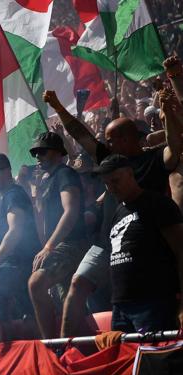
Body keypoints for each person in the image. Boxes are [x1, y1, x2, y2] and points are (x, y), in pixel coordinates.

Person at [44, 89, 181, 337]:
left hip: (145, 244)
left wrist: (169, 113)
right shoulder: (110, 160)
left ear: (127, 138)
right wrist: (58, 107)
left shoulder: (154, 159)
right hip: (108, 241)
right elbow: (81, 135)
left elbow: (174, 147)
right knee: (77, 284)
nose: (106, 144)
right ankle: (64, 350)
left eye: (111, 138)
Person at [93, 155, 183, 331]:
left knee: (155, 356)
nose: (111, 188)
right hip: (120, 308)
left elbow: (182, 251)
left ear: (130, 174)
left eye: (115, 181)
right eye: (106, 183)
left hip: (153, 303)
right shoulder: (118, 211)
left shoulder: (157, 204)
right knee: (127, 358)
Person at [0, 154, 41, 343]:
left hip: (16, 265)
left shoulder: (13, 195)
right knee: (30, 316)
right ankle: (49, 356)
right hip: (22, 265)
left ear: (6, 171)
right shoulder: (8, 196)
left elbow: (15, 230)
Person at [27, 132, 87, 339]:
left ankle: (51, 343)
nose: (37, 157)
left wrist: (49, 247)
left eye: (42, 152)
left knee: (36, 283)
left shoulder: (64, 174)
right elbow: (41, 218)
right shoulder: (47, 180)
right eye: (35, 153)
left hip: (73, 243)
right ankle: (68, 348)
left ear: (56, 153)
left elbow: (71, 211)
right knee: (67, 304)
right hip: (59, 246)